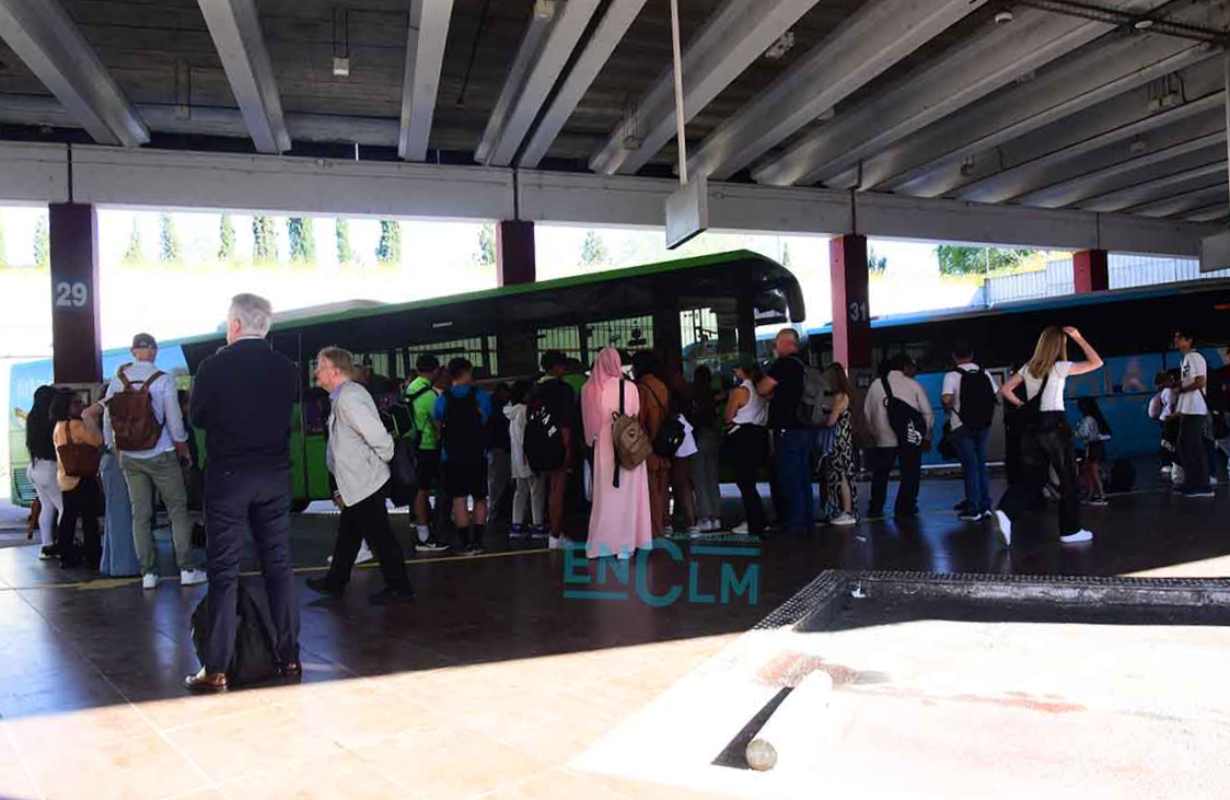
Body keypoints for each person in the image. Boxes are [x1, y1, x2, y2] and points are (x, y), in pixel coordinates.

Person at [186, 293, 300, 693]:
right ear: (265, 326)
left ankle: (216, 667)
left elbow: (197, 417)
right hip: (274, 474)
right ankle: (289, 657)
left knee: (224, 570)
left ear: (234, 325)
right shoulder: (287, 369)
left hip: (229, 477)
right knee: (279, 565)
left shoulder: (213, 367)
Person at [305, 348, 414, 604]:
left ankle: (400, 587)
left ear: (334, 370)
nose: (315, 372)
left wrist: (384, 457)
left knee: (380, 536)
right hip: (357, 481)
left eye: (320, 366)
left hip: (365, 481)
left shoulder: (349, 397)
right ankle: (335, 581)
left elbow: (376, 436)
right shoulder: (342, 395)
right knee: (350, 533)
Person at [103, 333, 205, 590]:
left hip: (130, 457)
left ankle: (148, 573)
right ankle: (186, 569)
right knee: (177, 510)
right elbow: (174, 421)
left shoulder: (117, 381)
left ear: (133, 350)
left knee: (141, 514)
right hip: (161, 454)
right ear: (154, 351)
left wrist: (114, 447)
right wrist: (183, 449)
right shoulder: (163, 380)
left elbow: (107, 418)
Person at [993, 326, 1103, 548]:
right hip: (1054, 426)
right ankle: (1070, 531)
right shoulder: (1059, 367)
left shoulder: (1028, 367)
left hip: (1032, 429)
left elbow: (1005, 389)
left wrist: (1023, 405)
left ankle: (1006, 511)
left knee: (1033, 478)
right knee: (1068, 478)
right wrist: (1078, 337)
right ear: (1058, 345)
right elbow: (1096, 362)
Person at [581, 346, 653, 559]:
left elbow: (590, 429)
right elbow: (635, 413)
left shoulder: (590, 389)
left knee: (605, 497)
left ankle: (602, 544)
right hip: (628, 444)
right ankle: (626, 546)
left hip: (604, 446)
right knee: (630, 496)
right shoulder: (630, 387)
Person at [433, 358, 494, 555]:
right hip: (477, 454)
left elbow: (438, 425)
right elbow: (485, 420)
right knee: (479, 499)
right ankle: (478, 541)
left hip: (451, 457)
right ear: (467, 372)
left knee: (459, 499)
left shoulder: (443, 399)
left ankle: (465, 543)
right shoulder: (481, 396)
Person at [863, 354, 933, 519]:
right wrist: (925, 435)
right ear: (905, 367)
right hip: (909, 438)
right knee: (910, 473)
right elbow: (928, 414)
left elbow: (867, 413)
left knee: (881, 474)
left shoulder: (876, 385)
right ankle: (905, 507)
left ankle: (876, 508)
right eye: (913, 367)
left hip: (883, 438)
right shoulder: (913, 385)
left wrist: (874, 433)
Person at [757, 329, 814, 534]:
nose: (775, 347)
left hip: (787, 429)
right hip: (805, 427)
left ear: (788, 344)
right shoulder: (802, 366)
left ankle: (795, 524)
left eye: (777, 343)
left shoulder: (783, 364)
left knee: (789, 477)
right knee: (803, 477)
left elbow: (763, 389)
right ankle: (807, 521)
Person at [941, 341, 1000, 522]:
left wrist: (950, 405)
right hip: (983, 424)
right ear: (972, 355)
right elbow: (997, 395)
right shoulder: (985, 373)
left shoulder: (952, 375)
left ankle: (973, 508)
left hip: (961, 425)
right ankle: (985, 506)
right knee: (980, 464)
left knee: (970, 466)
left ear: (954, 356)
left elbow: (946, 399)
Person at [403, 354, 450, 553]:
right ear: (436, 370)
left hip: (413, 445)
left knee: (419, 489)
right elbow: (438, 422)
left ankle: (423, 529)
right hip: (428, 447)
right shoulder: (429, 394)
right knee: (424, 490)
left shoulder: (411, 387)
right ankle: (426, 537)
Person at [50, 391, 102, 569]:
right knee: (89, 518)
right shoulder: (76, 426)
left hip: (65, 477)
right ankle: (92, 554)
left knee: (68, 517)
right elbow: (97, 441)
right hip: (83, 477)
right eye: (76, 403)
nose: (81, 406)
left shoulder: (59, 426)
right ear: (66, 406)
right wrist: (90, 420)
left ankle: (65, 554)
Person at [90, 398, 141, 578]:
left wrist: (101, 444)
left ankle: (112, 563)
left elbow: (87, 415)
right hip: (117, 459)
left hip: (108, 459)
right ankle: (124, 566)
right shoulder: (113, 401)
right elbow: (86, 414)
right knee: (123, 513)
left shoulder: (106, 406)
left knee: (114, 513)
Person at [533, 351, 578, 548]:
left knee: (546, 489)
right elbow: (566, 422)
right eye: (562, 366)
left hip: (538, 444)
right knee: (557, 490)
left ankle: (554, 531)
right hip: (557, 443)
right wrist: (567, 447)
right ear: (556, 367)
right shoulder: (563, 389)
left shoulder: (535, 388)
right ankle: (555, 535)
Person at [724, 356, 769, 536]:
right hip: (759, 435)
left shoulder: (740, 391)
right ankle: (758, 519)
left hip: (742, 437)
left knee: (745, 483)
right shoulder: (762, 389)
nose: (734, 373)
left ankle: (754, 522)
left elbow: (728, 416)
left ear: (741, 371)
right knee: (751, 481)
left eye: (735, 370)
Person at [634, 351, 672, 536]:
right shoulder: (661, 385)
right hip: (664, 443)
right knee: (663, 487)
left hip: (650, 443)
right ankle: (664, 523)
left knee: (651, 490)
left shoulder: (641, 388)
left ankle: (654, 528)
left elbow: (642, 419)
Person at [1172, 329, 1214, 498]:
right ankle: (1193, 483)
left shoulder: (1194, 357)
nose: (1176, 340)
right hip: (1189, 409)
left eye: (1179, 338)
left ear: (1189, 340)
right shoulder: (1186, 359)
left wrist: (1181, 388)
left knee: (1192, 447)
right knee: (1186, 446)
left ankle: (1202, 486)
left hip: (1195, 409)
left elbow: (1200, 381)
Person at [24, 386, 63, 560]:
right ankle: (64, 545)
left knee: (47, 507)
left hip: (34, 467)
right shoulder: (52, 419)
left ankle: (46, 545)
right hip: (49, 469)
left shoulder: (32, 418)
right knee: (64, 508)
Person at [504, 380, 546, 538]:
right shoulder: (526, 411)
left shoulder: (511, 412)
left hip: (517, 459)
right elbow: (528, 438)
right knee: (537, 491)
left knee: (520, 491)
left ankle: (517, 524)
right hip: (529, 457)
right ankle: (538, 524)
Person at [818, 362, 857, 526]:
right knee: (841, 476)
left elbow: (831, 420)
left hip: (839, 442)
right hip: (843, 441)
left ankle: (847, 511)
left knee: (841, 476)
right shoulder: (844, 395)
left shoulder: (840, 397)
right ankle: (844, 510)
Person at [689, 365, 722, 532]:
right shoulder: (714, 394)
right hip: (713, 436)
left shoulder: (693, 394)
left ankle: (705, 517)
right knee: (712, 477)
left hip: (698, 437)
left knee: (700, 479)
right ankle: (716, 517)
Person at [1076, 396, 1112, 506]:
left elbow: (1083, 434)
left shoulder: (1088, 419)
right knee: (1090, 471)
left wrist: (1077, 430)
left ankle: (1101, 496)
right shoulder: (1096, 418)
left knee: (1093, 472)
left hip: (1092, 447)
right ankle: (1092, 494)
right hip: (1095, 447)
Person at [487, 382, 513, 522]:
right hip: (500, 448)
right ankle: (495, 512)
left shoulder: (491, 406)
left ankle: (495, 512)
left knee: (496, 481)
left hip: (495, 448)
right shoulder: (502, 410)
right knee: (498, 481)